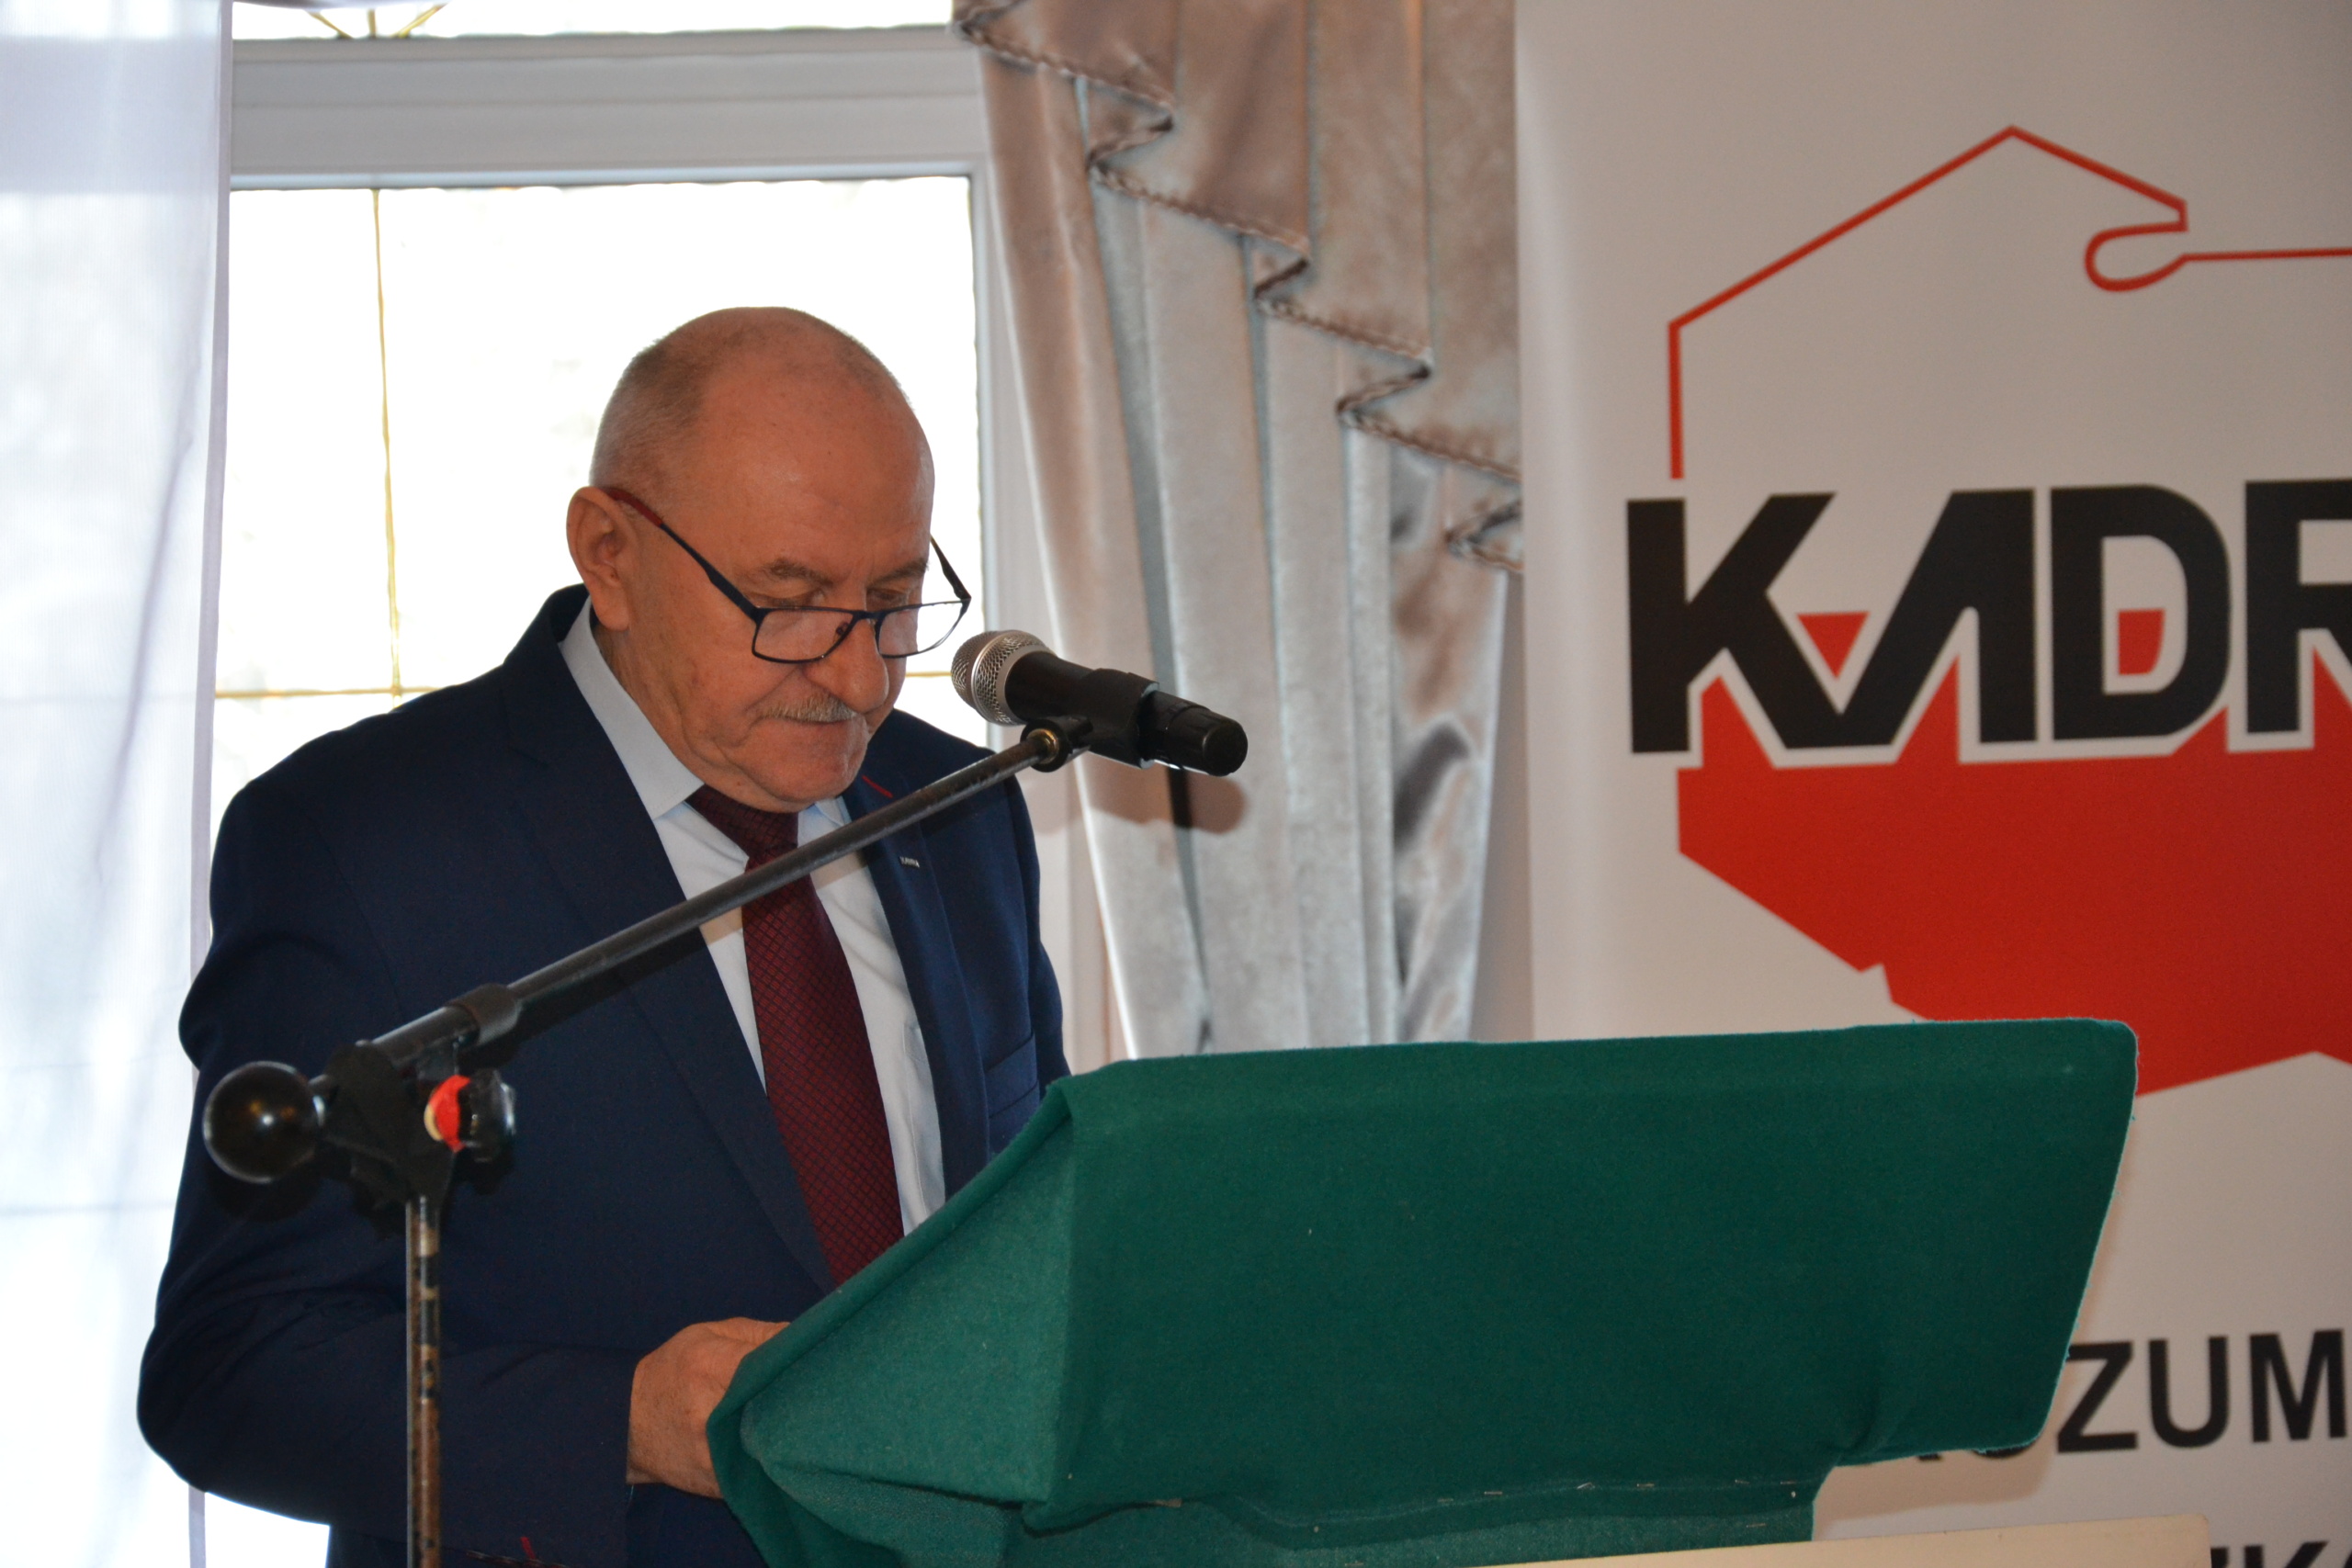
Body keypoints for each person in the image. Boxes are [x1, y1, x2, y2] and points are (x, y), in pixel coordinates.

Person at [140, 308, 1066, 1568]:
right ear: (610, 555)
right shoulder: (362, 842)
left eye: (895, 602)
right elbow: (231, 1367)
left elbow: (1028, 1225)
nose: (859, 679)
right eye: (789, 605)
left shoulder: (954, 805)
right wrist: (624, 1422)